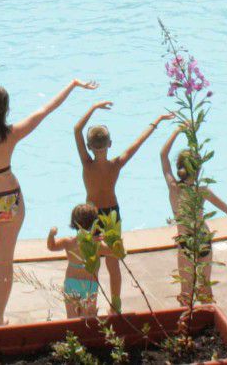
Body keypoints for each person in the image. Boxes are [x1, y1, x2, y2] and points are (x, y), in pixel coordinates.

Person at [0, 39, 96, 329]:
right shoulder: (12, 133)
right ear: (5, 109)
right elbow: (45, 110)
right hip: (10, 199)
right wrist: (71, 85)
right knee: (4, 263)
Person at [73, 101, 171, 310]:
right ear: (110, 144)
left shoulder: (86, 163)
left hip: (90, 216)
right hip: (111, 215)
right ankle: (115, 305)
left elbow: (76, 129)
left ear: (90, 146)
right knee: (113, 262)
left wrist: (93, 107)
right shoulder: (116, 164)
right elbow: (139, 142)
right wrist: (157, 121)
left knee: (90, 261)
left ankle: (89, 305)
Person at [160, 122, 227, 305]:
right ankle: (209, 322)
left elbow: (163, 155)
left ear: (180, 167)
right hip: (202, 238)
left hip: (186, 241)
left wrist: (177, 130)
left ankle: (187, 327)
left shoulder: (174, 188)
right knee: (205, 289)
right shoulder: (202, 190)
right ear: (198, 170)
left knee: (186, 292)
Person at [46, 203, 116, 318]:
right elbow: (113, 251)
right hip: (90, 285)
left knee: (72, 318)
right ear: (95, 223)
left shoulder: (68, 241)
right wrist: (110, 236)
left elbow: (51, 247)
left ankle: (73, 336)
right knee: (88, 318)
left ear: (73, 223)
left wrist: (51, 234)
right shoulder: (96, 243)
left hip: (71, 284)